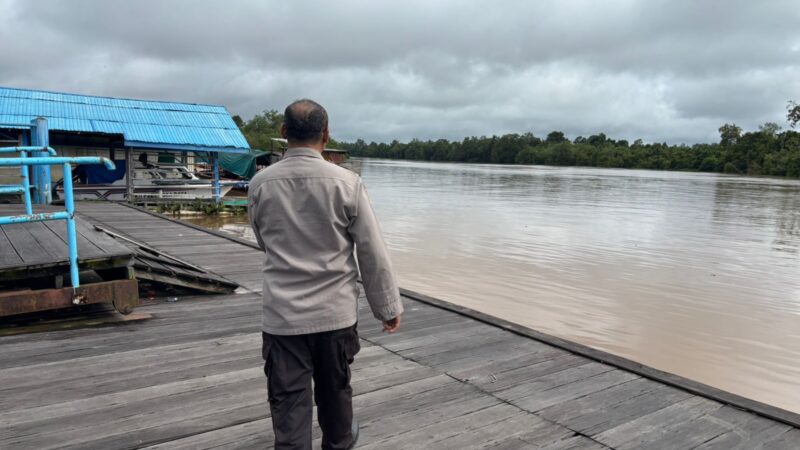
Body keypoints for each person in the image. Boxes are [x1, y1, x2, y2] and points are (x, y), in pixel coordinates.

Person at [248, 99, 403, 450]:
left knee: (288, 404)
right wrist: (387, 306)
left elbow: (263, 240)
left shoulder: (260, 184)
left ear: (283, 132)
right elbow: (371, 251)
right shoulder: (348, 183)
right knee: (335, 394)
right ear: (326, 133)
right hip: (334, 314)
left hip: (283, 318)